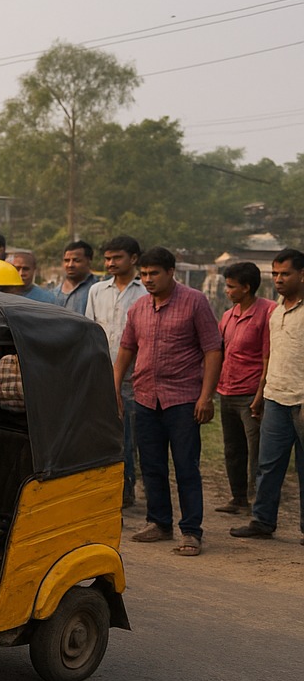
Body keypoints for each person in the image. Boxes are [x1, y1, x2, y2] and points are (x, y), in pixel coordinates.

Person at [113, 246, 222, 556]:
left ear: (171, 272)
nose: (147, 279)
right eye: (144, 274)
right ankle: (159, 523)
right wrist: (114, 386)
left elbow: (213, 350)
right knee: (152, 466)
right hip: (145, 398)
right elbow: (126, 350)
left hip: (184, 399)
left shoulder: (194, 302)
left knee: (187, 466)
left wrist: (206, 396)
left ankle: (191, 531)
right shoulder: (138, 308)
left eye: (154, 274)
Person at [231, 248, 304, 544]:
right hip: (275, 396)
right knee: (268, 464)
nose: (278, 279)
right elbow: (271, 356)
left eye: (285, 273)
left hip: (302, 400)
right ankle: (263, 521)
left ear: (302, 274)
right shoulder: (276, 310)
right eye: (275, 274)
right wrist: (261, 393)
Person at [85, 235, 146, 507]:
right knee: (105, 434)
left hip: (136, 376)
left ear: (133, 259)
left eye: (117, 257)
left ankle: (128, 486)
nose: (110, 263)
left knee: (131, 435)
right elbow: (91, 330)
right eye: (107, 258)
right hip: (103, 373)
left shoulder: (145, 291)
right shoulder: (97, 291)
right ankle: (111, 487)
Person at [213, 261, 274, 515]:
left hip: (251, 393)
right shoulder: (228, 315)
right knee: (233, 448)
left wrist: (260, 395)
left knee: (257, 451)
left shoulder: (268, 313)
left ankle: (258, 501)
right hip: (227, 391)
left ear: (246, 287)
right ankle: (238, 497)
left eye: (231, 287)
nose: (227, 291)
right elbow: (220, 352)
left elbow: (267, 357)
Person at [55, 240, 98, 314]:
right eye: (67, 260)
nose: (70, 265)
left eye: (76, 260)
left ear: (89, 261)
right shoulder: (54, 292)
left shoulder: (98, 290)